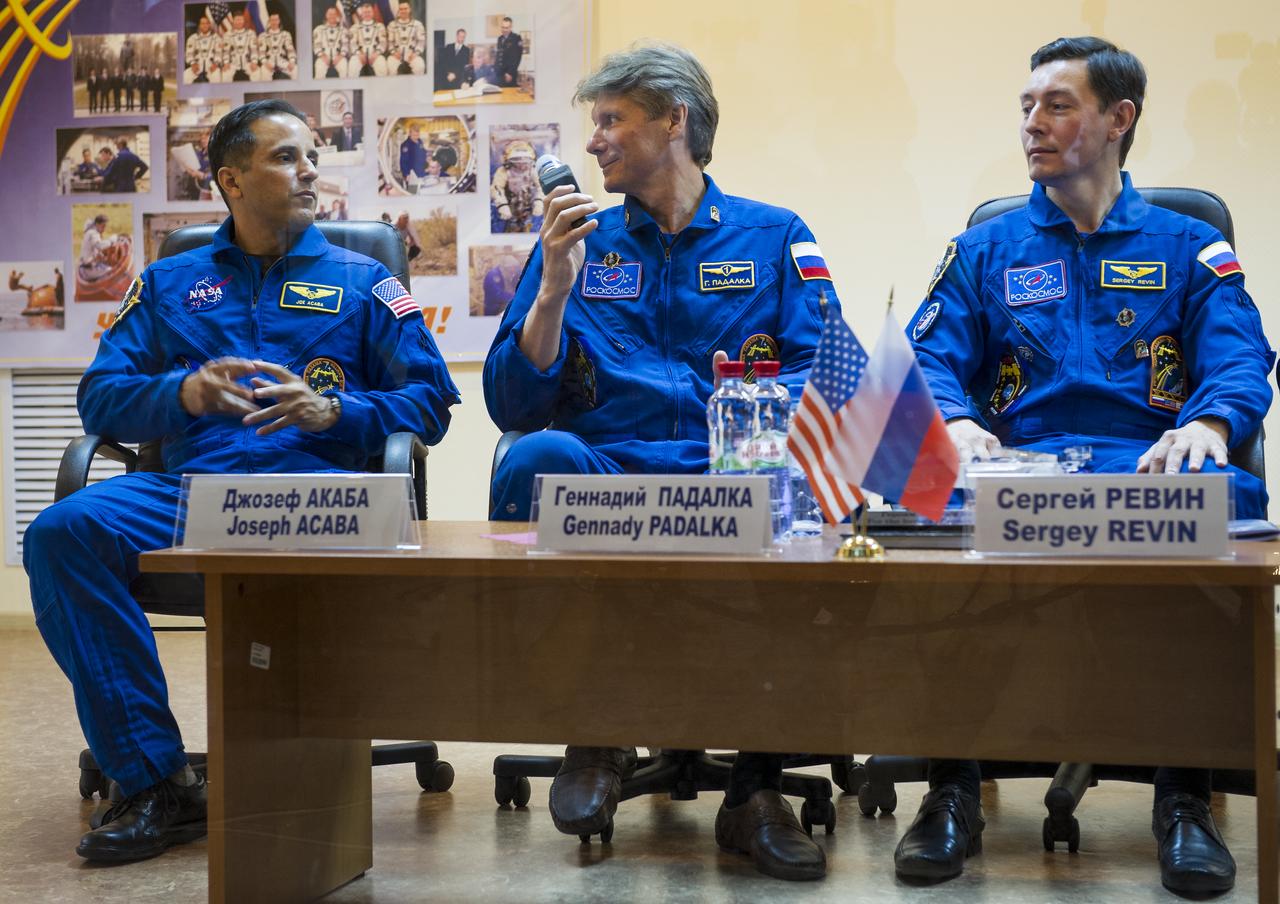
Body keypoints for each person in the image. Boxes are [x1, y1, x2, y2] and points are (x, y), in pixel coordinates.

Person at [27, 99, 459, 864]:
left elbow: (429, 403)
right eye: (287, 158)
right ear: (230, 179)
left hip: (318, 501)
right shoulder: (168, 283)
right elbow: (99, 397)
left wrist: (334, 411)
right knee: (63, 532)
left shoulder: (365, 282)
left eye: (313, 157)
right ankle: (155, 780)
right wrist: (182, 395)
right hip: (196, 496)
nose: (310, 172)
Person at [902, 37, 1272, 897]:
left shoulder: (1189, 248)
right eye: (1027, 106)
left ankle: (1186, 796)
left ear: (1118, 119)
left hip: (1141, 468)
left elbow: (1240, 357)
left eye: (1057, 105)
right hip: (1017, 470)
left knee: (1212, 496)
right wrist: (954, 422)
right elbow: (929, 360)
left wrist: (1210, 422)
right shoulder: (984, 249)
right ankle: (949, 789)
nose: (1033, 123)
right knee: (916, 491)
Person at [483, 42, 836, 883]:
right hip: (611, 475)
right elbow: (510, 401)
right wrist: (553, 289)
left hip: (730, 471)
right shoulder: (576, 239)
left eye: (611, 121)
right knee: (538, 455)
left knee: (794, 478)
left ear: (675, 121)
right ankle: (598, 725)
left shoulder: (777, 234)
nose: (593, 142)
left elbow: (826, 378)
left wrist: (756, 437)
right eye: (594, 124)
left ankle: (754, 788)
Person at [489, 139, 541, 232]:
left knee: (528, 228)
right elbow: (496, 188)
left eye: (525, 161)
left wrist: (539, 202)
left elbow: (541, 186)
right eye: (517, 161)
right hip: (510, 205)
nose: (521, 165)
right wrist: (502, 205)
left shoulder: (533, 170)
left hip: (528, 205)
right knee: (511, 228)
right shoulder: (503, 171)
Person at [348, 2, 388, 77]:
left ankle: (381, 88)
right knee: (352, 66)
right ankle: (355, 88)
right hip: (360, 54)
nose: (367, 14)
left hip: (375, 54)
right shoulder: (355, 27)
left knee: (382, 65)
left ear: (373, 13)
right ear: (361, 14)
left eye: (369, 12)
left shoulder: (380, 26)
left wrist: (376, 53)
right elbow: (352, 43)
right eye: (365, 12)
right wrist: (359, 54)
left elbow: (383, 43)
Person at [386, 2, 425, 76]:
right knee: (390, 66)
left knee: (420, 66)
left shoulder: (417, 24)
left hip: (412, 54)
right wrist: (394, 52)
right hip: (397, 54)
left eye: (405, 9)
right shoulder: (392, 25)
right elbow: (390, 43)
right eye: (401, 9)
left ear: (410, 9)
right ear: (398, 11)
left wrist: (415, 53)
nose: (403, 11)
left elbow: (421, 42)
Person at [257, 12, 298, 81]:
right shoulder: (263, 36)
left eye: (276, 20)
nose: (274, 22)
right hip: (269, 61)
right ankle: (268, 91)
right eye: (272, 20)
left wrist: (292, 61)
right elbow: (261, 53)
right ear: (269, 21)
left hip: (282, 61)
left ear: (279, 21)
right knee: (264, 72)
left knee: (296, 70)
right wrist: (265, 63)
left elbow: (290, 49)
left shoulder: (285, 34)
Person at [313, 5, 349, 79]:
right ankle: (322, 90)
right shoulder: (319, 29)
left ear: (337, 16)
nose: (332, 16)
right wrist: (322, 55)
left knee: (344, 66)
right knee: (319, 67)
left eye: (334, 14)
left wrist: (341, 55)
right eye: (330, 14)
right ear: (326, 15)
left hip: (338, 56)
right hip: (323, 56)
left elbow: (345, 44)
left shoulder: (343, 30)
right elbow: (316, 45)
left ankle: (345, 90)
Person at [185, 16, 222, 84]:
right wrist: (193, 63)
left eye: (207, 23)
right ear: (199, 25)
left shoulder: (216, 38)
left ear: (209, 25)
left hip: (211, 66)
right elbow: (189, 53)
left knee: (217, 77)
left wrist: (215, 64)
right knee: (185, 76)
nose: (205, 25)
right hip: (197, 66)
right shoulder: (192, 38)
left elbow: (219, 53)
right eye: (202, 23)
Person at [222, 13, 258, 82]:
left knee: (257, 73)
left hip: (248, 63)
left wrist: (254, 62)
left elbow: (254, 50)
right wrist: (226, 62)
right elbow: (226, 51)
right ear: (233, 21)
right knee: (225, 74)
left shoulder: (251, 33)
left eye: (240, 20)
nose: (239, 22)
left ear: (243, 21)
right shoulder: (227, 35)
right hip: (233, 64)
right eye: (237, 20)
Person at [494, 16, 522, 88]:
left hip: (509, 75)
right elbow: (499, 56)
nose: (504, 30)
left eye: (506, 28)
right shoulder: (500, 39)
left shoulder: (516, 38)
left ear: (511, 27)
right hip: (499, 74)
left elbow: (517, 57)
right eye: (503, 27)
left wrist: (510, 73)